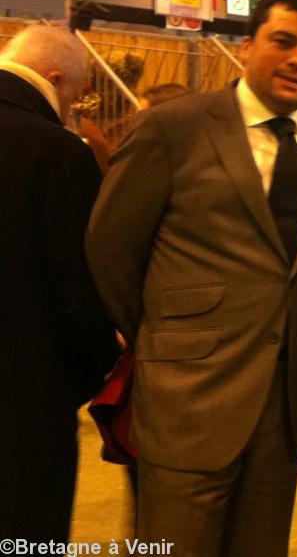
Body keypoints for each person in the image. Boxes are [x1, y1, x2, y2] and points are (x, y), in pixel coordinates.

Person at [86, 0, 297, 557]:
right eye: (283, 42)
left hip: (281, 404)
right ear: (247, 44)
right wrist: (163, 334)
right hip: (188, 394)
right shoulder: (174, 128)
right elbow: (111, 247)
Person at [0, 26, 120, 541]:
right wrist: (90, 376)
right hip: (23, 406)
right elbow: (80, 293)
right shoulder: (57, 153)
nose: (75, 107)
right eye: (78, 93)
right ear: (55, 79)